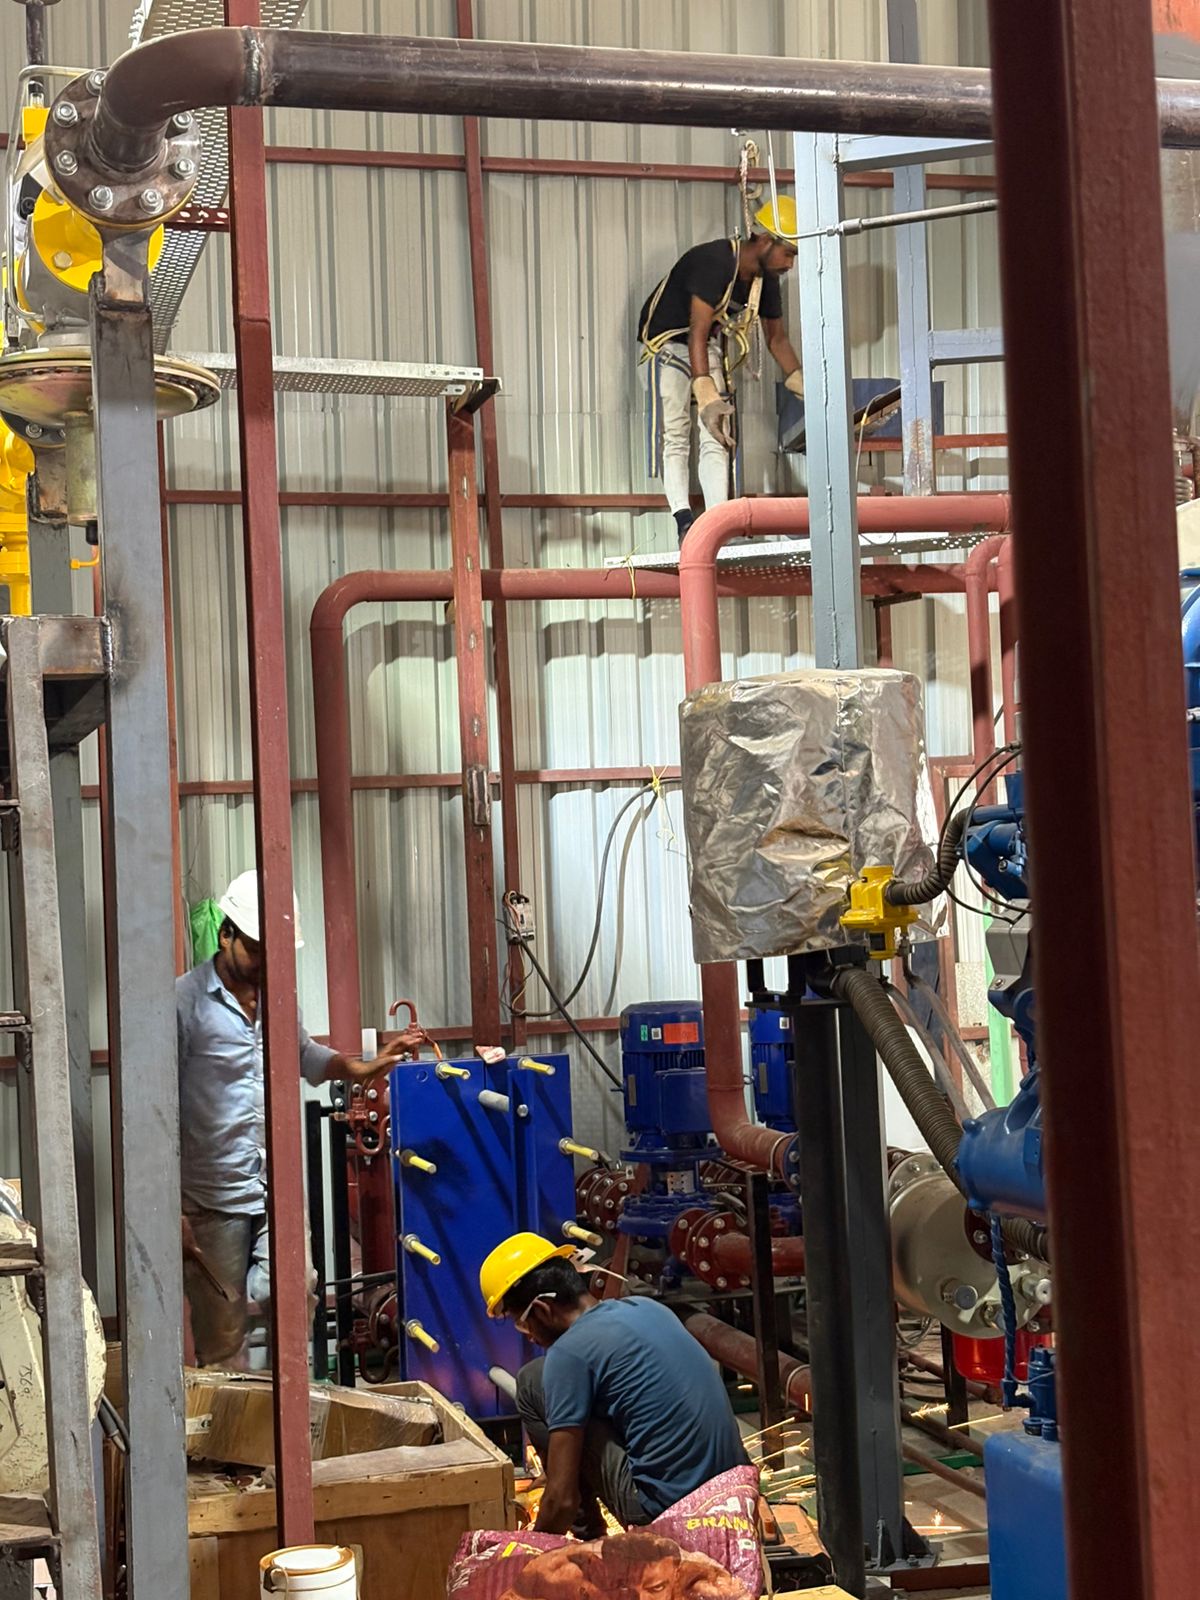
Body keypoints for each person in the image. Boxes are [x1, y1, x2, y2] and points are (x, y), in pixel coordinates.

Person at [177, 869, 418, 1367]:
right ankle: (236, 1417)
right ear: (225, 935)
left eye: (278, 952)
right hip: (210, 1195)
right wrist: (169, 1208)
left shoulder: (278, 999)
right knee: (222, 1332)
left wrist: (364, 1067)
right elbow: (157, 1107)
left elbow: (305, 1055)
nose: (268, 962)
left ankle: (289, 1404)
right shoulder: (183, 1003)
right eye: (257, 949)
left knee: (295, 1291)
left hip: (275, 1187)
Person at [479, 1232, 748, 1537]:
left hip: (663, 1515)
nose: (528, 1335)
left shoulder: (568, 1353)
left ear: (542, 1309)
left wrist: (532, 1550)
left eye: (522, 1323)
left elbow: (562, 1501)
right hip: (732, 1493)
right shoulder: (645, 1307)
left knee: (531, 1381)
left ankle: (590, 1537)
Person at [639, 198, 804, 543]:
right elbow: (697, 330)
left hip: (705, 346)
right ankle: (684, 521)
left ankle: (716, 525)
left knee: (718, 435)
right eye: (788, 253)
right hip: (667, 343)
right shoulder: (714, 261)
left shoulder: (764, 280)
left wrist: (804, 386)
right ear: (765, 240)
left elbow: (777, 339)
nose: (790, 263)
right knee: (676, 433)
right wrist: (706, 393)